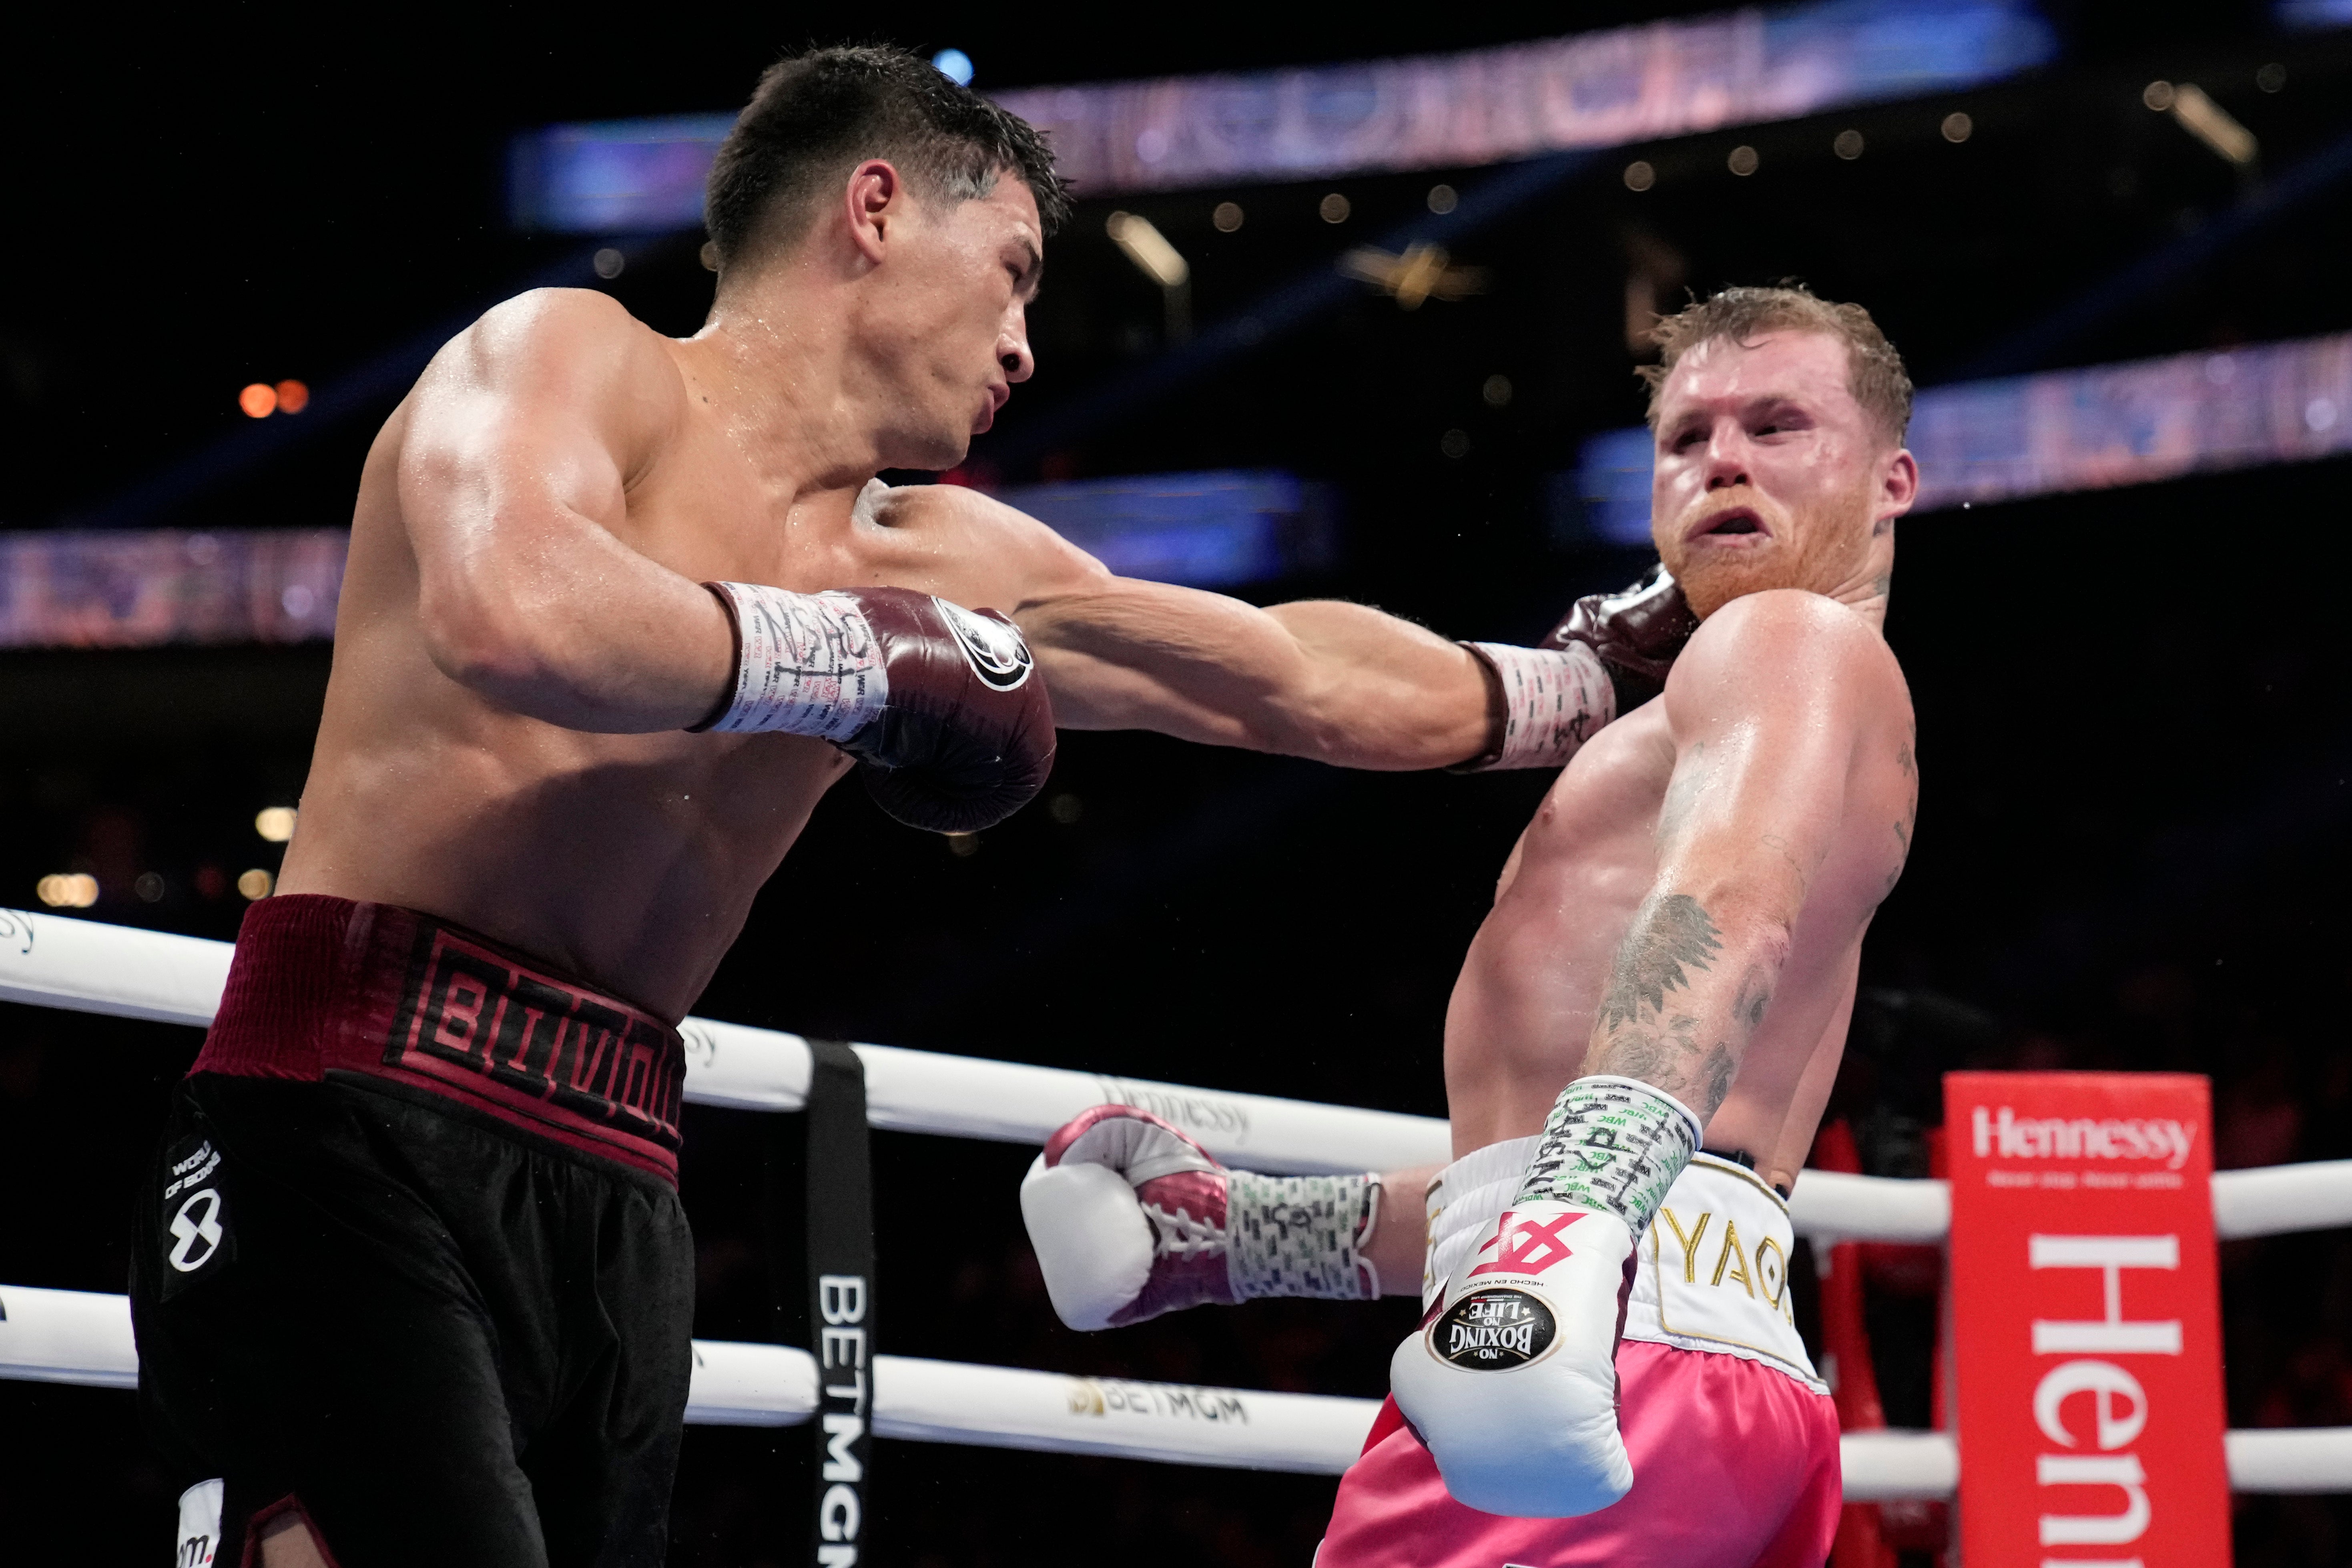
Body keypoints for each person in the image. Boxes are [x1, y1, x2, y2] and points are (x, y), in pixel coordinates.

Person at [127, 44, 1682, 1568]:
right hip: (347, 1111)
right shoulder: (572, 360)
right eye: (1008, 269)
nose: (1024, 340)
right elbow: (516, 612)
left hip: (614, 1166)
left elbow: (1285, 676)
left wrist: (1584, 677)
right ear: (872, 209)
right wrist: (859, 657)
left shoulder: (944, 560)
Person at [1024, 284, 1921, 1566]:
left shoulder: (1791, 642)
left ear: (1890, 479)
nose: (1721, 457)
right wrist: (1234, 1236)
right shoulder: (1771, 706)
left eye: (1776, 426)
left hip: (1601, 1347)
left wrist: (1567, 1238)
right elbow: (1642, 1171)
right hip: (1687, 1366)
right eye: (1686, 437)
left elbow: (1725, 911)